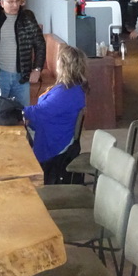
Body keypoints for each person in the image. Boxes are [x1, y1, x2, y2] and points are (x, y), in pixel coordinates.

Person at [24, 43, 88, 184]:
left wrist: (17, 109)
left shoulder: (67, 93)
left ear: (64, 66)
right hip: (55, 131)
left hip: (56, 140)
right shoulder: (71, 87)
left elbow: (40, 112)